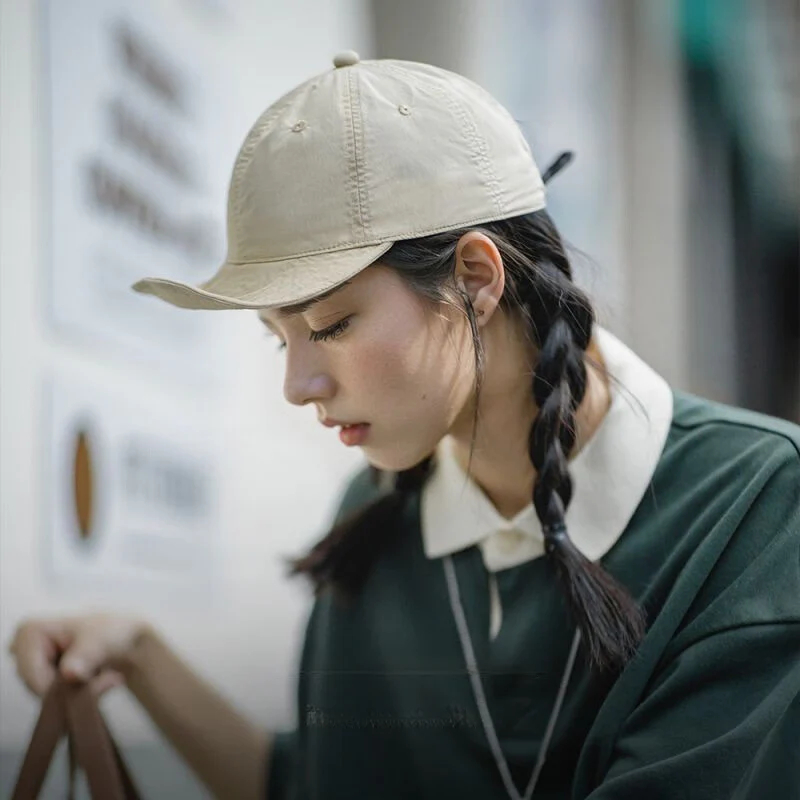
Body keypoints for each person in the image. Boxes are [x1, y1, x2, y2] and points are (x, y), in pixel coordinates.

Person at [9, 51, 800, 800]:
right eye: (276, 338)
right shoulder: (373, 517)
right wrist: (139, 654)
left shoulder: (759, 511)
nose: (297, 386)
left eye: (328, 327)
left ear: (475, 278)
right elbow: (314, 785)